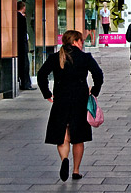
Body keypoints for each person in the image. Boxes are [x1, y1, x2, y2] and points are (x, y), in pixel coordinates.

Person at [37, 30, 103, 181]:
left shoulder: (55, 57)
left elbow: (42, 75)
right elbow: (98, 74)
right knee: (78, 137)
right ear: (75, 42)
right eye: (81, 41)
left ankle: (64, 159)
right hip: (80, 99)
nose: (82, 44)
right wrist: (95, 90)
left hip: (61, 99)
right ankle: (76, 170)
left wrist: (47, 93)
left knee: (63, 134)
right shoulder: (85, 57)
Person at [17, 0, 35, 89]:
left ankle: (23, 83)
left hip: (19, 44)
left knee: (22, 64)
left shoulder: (16, 17)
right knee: (24, 64)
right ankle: (25, 84)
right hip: (22, 44)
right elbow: (23, 32)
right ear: (23, 7)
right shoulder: (21, 18)